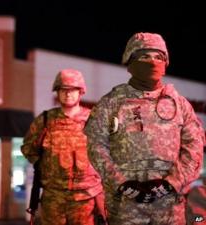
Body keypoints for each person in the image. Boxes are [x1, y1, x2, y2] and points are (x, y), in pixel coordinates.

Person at [84, 32, 205, 225]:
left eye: (159, 57)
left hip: (169, 205)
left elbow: (194, 148)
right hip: (125, 205)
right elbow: (96, 147)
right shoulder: (111, 103)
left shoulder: (180, 104)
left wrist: (170, 183)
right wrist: (121, 183)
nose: (152, 61)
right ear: (130, 61)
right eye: (145, 56)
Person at [21, 69, 105, 225]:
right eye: (63, 90)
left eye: (73, 90)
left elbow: (109, 151)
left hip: (85, 197)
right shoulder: (45, 120)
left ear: (81, 92)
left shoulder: (94, 119)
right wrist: (46, 165)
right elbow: (28, 148)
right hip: (53, 197)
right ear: (57, 93)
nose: (68, 94)